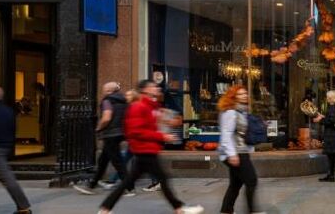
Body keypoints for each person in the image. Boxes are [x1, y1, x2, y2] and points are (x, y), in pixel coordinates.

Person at [98, 78, 204, 214]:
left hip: (148, 149)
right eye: (153, 86)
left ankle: (105, 208)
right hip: (144, 150)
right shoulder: (138, 106)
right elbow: (136, 131)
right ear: (145, 90)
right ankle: (179, 208)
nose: (157, 88)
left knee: (128, 181)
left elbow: (155, 123)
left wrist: (169, 122)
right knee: (163, 179)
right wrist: (162, 136)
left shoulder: (151, 106)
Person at [73, 82, 134, 196]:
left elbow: (106, 117)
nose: (103, 92)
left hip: (110, 134)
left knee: (117, 162)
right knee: (103, 161)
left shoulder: (107, 100)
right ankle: (92, 185)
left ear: (108, 91)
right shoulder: (123, 101)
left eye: (104, 89)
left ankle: (129, 188)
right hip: (120, 133)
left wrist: (99, 127)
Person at [218, 85, 263, 214]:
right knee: (251, 180)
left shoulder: (242, 111)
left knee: (235, 184)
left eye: (245, 93)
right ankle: (252, 211)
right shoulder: (231, 112)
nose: (244, 96)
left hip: (241, 151)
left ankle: (226, 210)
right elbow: (226, 134)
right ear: (233, 97)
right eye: (240, 94)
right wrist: (232, 155)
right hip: (236, 153)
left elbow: (241, 134)